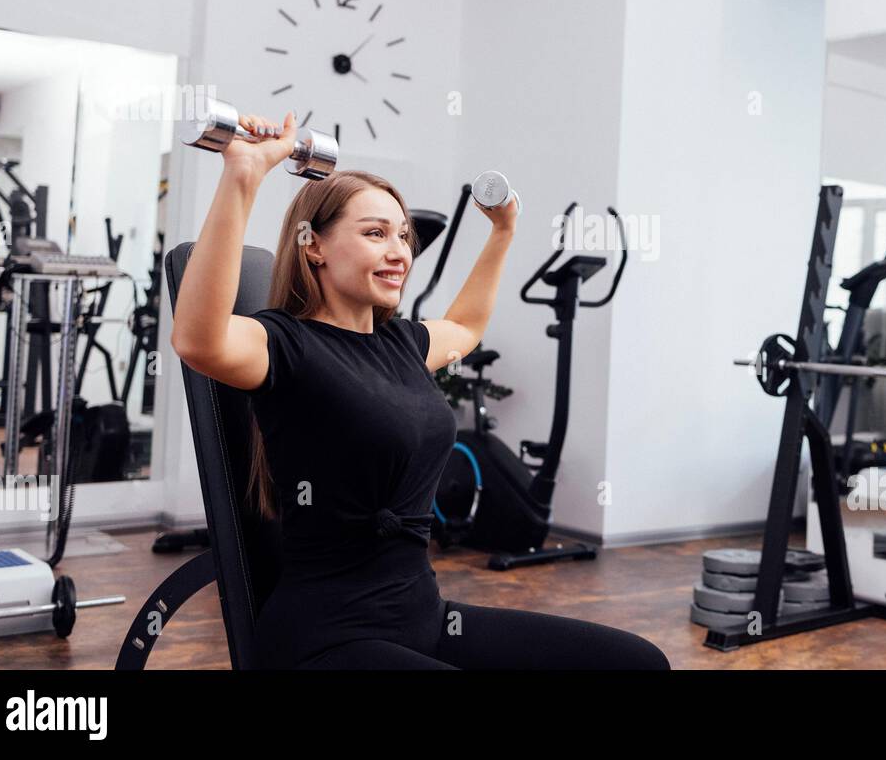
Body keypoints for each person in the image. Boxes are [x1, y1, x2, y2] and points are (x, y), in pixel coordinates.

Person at [171, 110, 669, 670]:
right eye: (375, 233)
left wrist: (503, 232)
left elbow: (466, 328)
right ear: (315, 247)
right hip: (328, 638)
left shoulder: (403, 344)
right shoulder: (287, 345)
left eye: (403, 236)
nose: (400, 252)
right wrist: (243, 175)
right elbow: (198, 340)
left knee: (636, 663)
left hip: (422, 619)